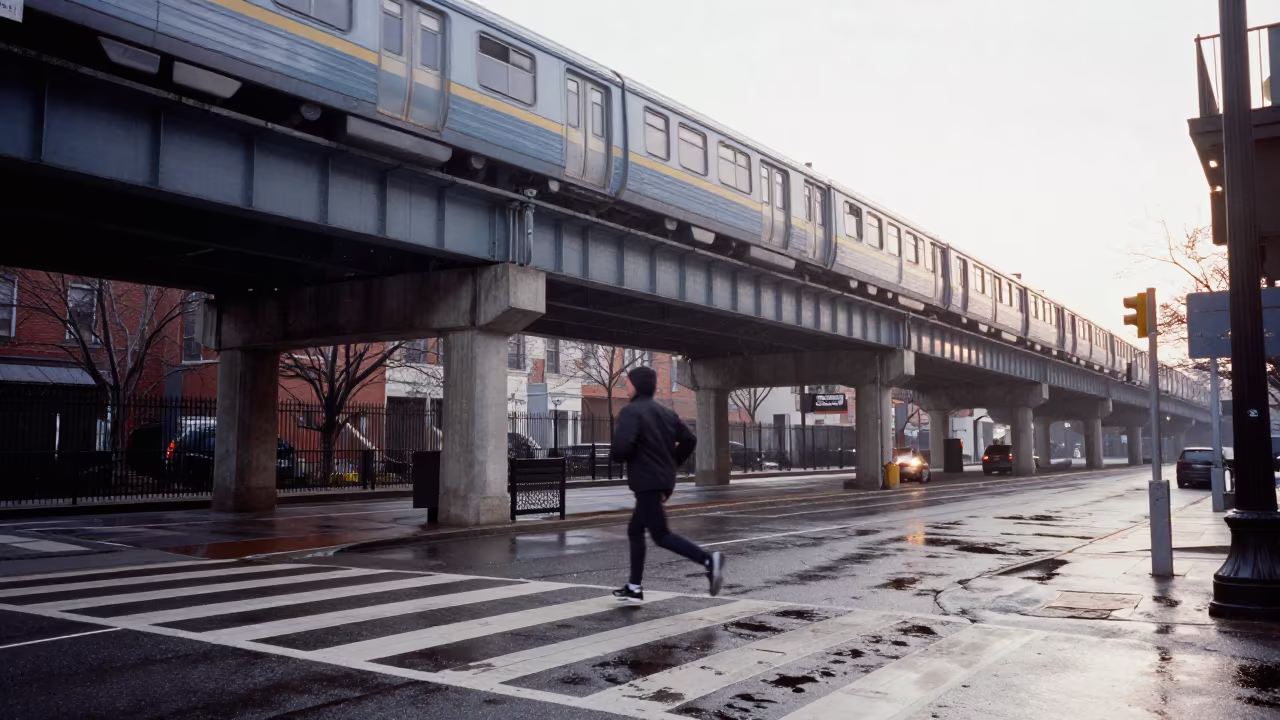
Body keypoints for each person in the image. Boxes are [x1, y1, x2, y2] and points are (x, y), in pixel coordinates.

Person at [609, 365, 724, 602]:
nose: (626, 386)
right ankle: (634, 587)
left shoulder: (632, 412)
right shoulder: (666, 413)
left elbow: (621, 449)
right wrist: (672, 463)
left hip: (646, 481)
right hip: (660, 480)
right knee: (635, 530)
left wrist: (624, 455)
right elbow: (689, 440)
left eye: (628, 383)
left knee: (660, 534)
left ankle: (707, 560)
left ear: (637, 385)